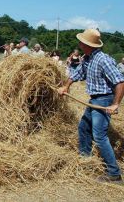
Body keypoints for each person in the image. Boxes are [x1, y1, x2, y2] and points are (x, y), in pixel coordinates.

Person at [58, 29, 124, 184]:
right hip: (94, 100)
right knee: (83, 128)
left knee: (99, 136)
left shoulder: (103, 60)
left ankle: (114, 173)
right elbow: (77, 74)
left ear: (88, 45)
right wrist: (66, 86)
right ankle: (85, 160)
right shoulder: (87, 58)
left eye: (82, 42)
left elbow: (120, 81)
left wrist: (115, 104)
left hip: (104, 100)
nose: (79, 44)